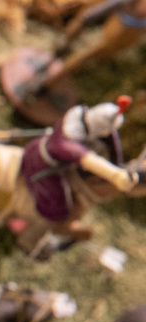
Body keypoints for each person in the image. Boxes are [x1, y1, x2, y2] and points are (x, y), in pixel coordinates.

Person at [20, 99, 138, 240]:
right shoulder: (66, 141)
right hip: (41, 164)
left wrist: (117, 165)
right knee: (57, 204)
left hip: (55, 156)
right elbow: (87, 159)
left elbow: (111, 140)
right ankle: (47, 227)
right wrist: (116, 175)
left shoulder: (84, 115)